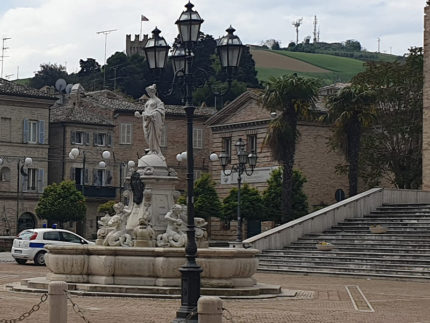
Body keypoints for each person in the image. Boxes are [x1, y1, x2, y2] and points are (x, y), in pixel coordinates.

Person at [135, 84, 165, 156]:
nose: (148, 93)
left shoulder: (158, 101)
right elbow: (146, 112)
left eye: (150, 92)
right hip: (147, 121)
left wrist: (153, 114)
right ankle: (151, 148)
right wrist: (140, 115)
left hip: (154, 121)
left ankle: (154, 149)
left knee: (153, 135)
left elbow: (161, 110)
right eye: (148, 92)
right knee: (147, 136)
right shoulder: (148, 102)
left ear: (153, 92)